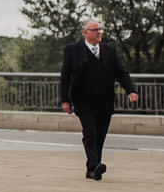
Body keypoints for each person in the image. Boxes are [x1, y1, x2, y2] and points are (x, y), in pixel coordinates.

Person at [59, 18, 139, 181]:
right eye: (95, 30)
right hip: (83, 100)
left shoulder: (109, 51)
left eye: (99, 30)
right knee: (90, 133)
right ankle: (95, 165)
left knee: (100, 135)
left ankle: (92, 169)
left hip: (105, 100)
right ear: (85, 33)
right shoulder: (73, 50)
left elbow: (121, 73)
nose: (98, 33)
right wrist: (65, 100)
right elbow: (65, 75)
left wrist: (130, 90)